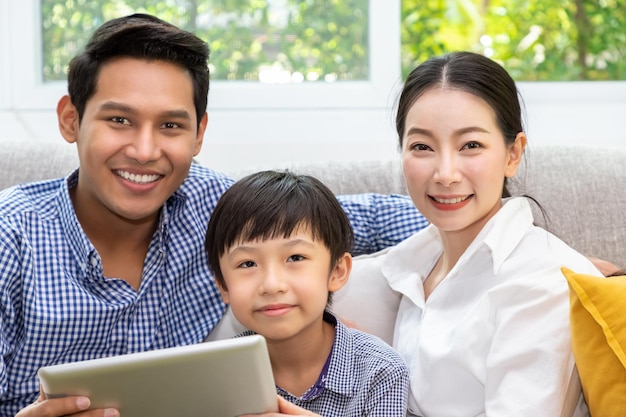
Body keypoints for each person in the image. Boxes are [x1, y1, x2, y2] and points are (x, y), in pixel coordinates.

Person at [0, 14, 428, 417]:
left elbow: (359, 219)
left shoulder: (217, 207)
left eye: (170, 126)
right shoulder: (11, 236)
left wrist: (484, 207)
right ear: (71, 119)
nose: (145, 151)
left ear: (199, 133)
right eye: (119, 120)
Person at [334, 51, 604, 417]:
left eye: (471, 145)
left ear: (513, 153)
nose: (445, 173)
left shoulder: (539, 285)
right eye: (422, 147)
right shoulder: (412, 265)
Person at [204, 170, 410, 416]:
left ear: (336, 271)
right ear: (223, 286)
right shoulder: (218, 374)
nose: (272, 284)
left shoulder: (381, 370)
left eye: (295, 257)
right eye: (248, 264)